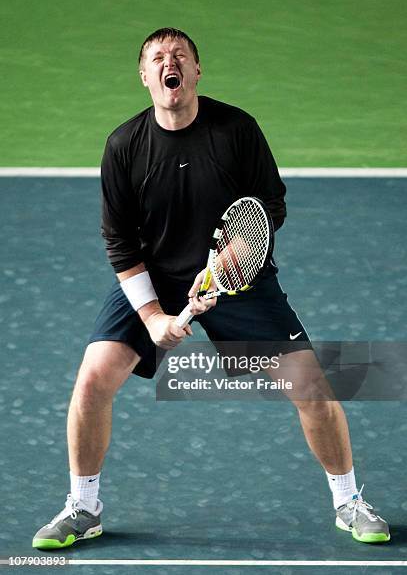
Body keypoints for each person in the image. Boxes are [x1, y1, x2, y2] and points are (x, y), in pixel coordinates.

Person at [32, 27, 390, 549]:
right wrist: (154, 317)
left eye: (179, 56)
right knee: (91, 382)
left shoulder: (236, 131)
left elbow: (271, 207)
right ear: (144, 77)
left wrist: (226, 265)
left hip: (238, 275)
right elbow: (119, 242)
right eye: (156, 58)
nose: (167, 63)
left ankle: (348, 500)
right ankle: (84, 507)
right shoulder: (123, 147)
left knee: (312, 388)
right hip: (153, 276)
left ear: (196, 72)